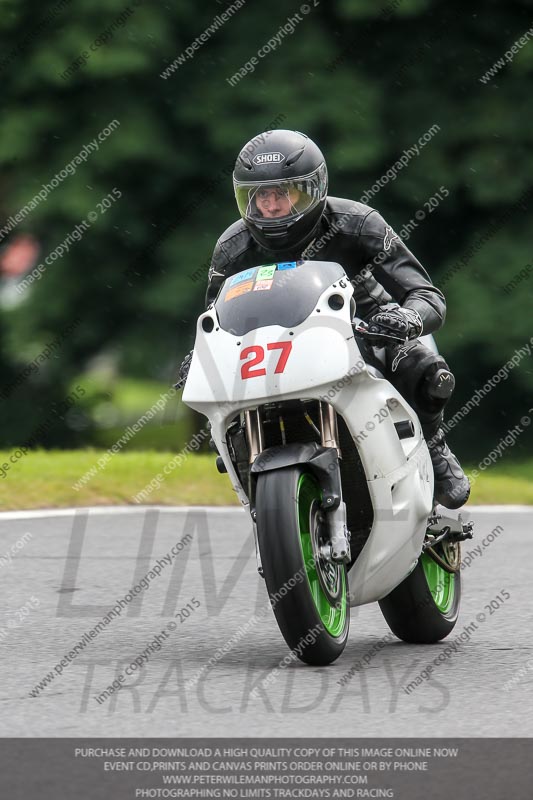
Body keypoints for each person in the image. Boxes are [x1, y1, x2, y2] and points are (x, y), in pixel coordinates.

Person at [180, 129, 470, 509]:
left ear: (313, 189)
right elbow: (215, 319)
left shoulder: (358, 223)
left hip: (366, 330)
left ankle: (434, 448)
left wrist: (404, 318)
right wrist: (200, 356)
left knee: (426, 369)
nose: (270, 206)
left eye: (282, 193)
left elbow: (426, 295)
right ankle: (252, 474)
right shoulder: (232, 248)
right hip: (272, 348)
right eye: (260, 196)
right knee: (224, 408)